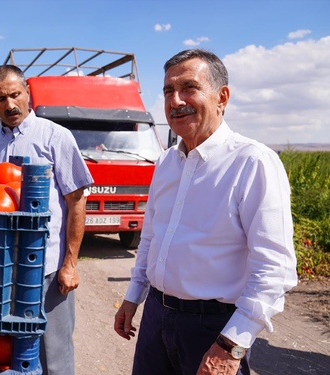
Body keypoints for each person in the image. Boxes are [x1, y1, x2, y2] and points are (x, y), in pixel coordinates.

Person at [113, 49, 297, 375]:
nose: (175, 100)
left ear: (221, 97)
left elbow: (274, 269)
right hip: (156, 316)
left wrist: (232, 344)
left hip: (213, 328)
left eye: (188, 88)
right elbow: (151, 238)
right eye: (168, 91)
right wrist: (133, 297)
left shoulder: (253, 162)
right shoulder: (166, 162)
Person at [0, 65, 93, 375]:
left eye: (15, 95)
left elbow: (76, 200)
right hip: (0, 267)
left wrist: (70, 264)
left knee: (53, 353)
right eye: (0, 99)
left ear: (27, 93)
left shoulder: (55, 136)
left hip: (47, 266)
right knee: (6, 349)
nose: (10, 105)